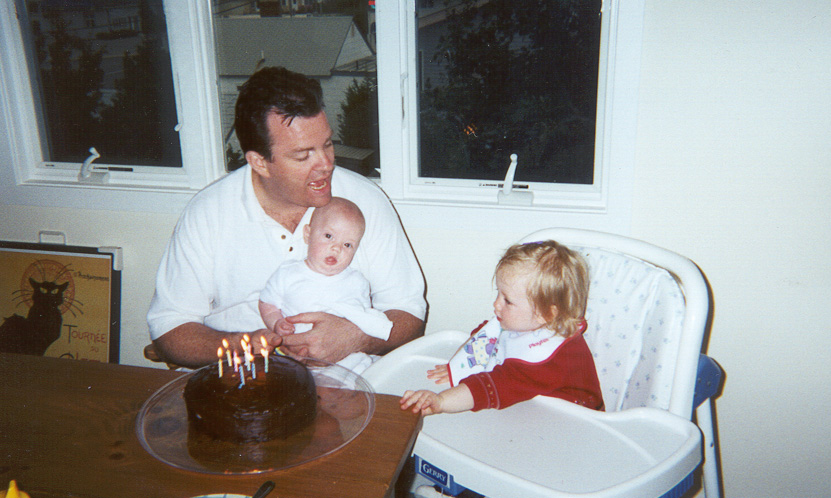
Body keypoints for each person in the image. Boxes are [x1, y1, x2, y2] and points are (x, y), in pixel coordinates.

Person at [147, 66, 426, 368]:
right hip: (244, 374)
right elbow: (170, 326)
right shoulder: (208, 212)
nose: (326, 164)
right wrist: (248, 345)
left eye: (328, 144)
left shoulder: (364, 201)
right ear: (259, 162)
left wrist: (355, 337)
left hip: (346, 374)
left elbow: (409, 313)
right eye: (303, 155)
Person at [400, 241, 603, 415]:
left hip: (572, 424)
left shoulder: (545, 360)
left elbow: (491, 386)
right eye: (498, 293)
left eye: (508, 301)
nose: (496, 304)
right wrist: (461, 364)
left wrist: (441, 401)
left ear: (546, 314)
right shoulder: (529, 321)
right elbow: (485, 338)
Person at [258, 197, 391, 373]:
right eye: (329, 236)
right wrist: (276, 322)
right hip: (296, 356)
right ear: (308, 234)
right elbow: (267, 303)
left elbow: (361, 321)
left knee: (366, 370)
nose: (336, 248)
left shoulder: (357, 282)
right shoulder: (288, 273)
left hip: (345, 360)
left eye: (347, 245)